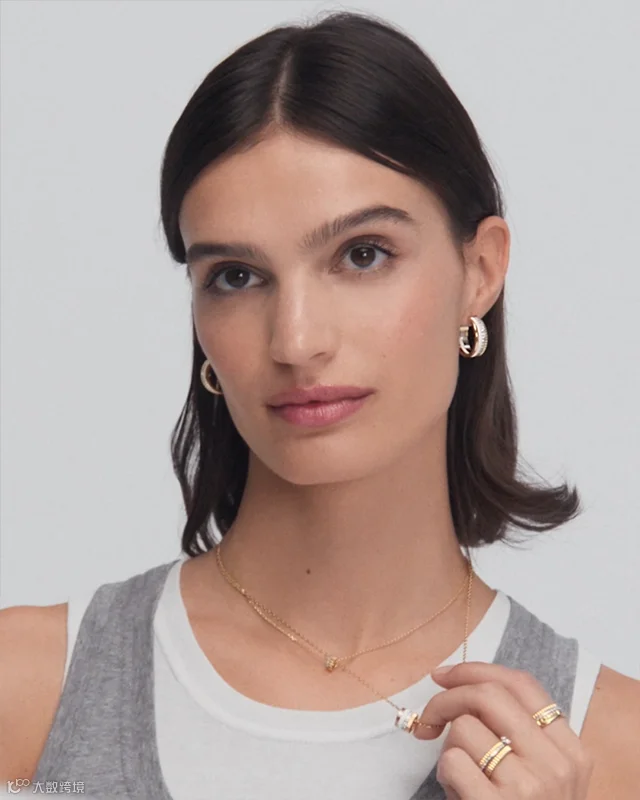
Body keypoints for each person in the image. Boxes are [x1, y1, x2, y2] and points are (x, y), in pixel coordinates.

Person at [1, 9, 638, 800]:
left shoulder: (612, 749)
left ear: (481, 270)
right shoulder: (25, 690)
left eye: (362, 255)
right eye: (236, 276)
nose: (296, 341)